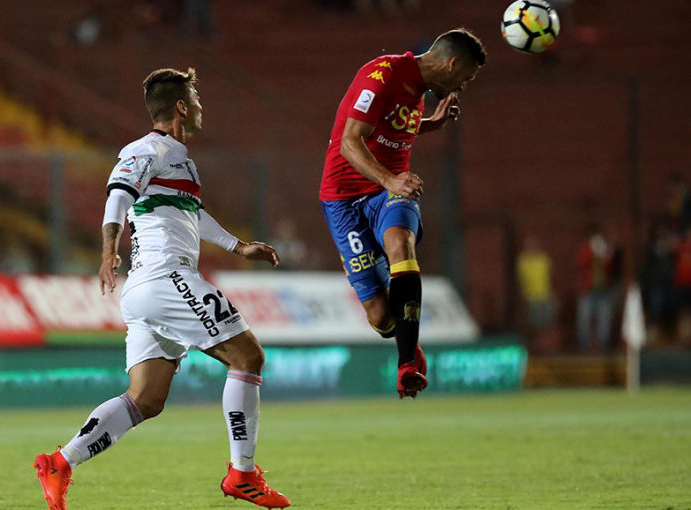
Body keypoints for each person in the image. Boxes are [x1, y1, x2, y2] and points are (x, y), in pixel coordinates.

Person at [32, 68, 291, 510]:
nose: (202, 107)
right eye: (197, 98)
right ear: (182, 107)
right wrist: (108, 249)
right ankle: (242, 474)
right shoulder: (147, 148)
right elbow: (117, 194)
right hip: (165, 277)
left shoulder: (180, 161)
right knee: (248, 357)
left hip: (148, 289)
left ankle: (61, 461)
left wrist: (237, 245)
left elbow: (191, 214)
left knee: (146, 399)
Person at [320, 29, 486, 398]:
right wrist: (389, 178)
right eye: (467, 76)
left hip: (392, 192)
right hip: (344, 199)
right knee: (380, 317)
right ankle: (407, 340)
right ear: (452, 64)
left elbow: (392, 128)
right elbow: (350, 141)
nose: (465, 84)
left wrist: (432, 125)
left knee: (401, 244)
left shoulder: (418, 91)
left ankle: (406, 363)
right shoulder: (382, 76)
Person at [575, 225, 620, 351]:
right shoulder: (585, 250)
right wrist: (592, 251)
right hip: (588, 291)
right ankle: (582, 346)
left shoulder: (605, 250)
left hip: (604, 291)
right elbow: (582, 262)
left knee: (604, 321)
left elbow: (611, 267)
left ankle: (603, 346)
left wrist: (606, 253)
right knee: (584, 319)